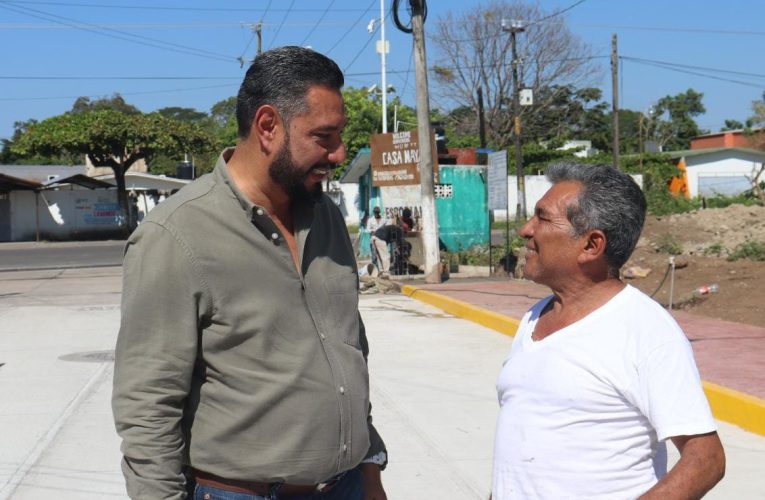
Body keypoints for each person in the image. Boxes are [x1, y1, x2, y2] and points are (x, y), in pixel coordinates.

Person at [112, 46, 388, 500]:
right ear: (267, 126)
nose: (338, 154)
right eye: (324, 137)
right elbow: (148, 407)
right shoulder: (175, 235)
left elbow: (350, 356)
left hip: (347, 485)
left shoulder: (328, 219)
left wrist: (370, 469)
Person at [492, 162, 725, 499]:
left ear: (591, 245)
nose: (526, 230)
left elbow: (706, 459)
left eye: (542, 218)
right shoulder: (534, 317)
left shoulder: (645, 331)